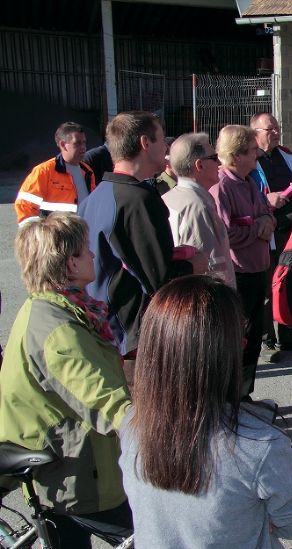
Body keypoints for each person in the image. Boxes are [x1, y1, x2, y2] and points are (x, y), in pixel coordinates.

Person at [118, 275, 292, 549]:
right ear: (217, 353)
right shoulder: (257, 445)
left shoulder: (132, 427)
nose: (243, 342)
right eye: (237, 334)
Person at [0, 213, 133, 549]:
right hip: (73, 472)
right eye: (85, 249)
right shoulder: (56, 327)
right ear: (71, 263)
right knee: (145, 544)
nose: (93, 254)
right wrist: (147, 428)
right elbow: (99, 393)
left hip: (70, 461)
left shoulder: (60, 309)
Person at [78, 111, 206, 368]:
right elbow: (161, 279)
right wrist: (195, 265)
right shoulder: (137, 199)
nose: (167, 148)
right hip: (133, 338)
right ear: (145, 143)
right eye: (162, 140)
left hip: (102, 329)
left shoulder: (94, 197)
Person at [211, 124, 275, 401]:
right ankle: (233, 395)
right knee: (240, 337)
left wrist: (264, 222)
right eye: (252, 152)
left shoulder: (249, 181)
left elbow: (268, 216)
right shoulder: (221, 186)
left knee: (254, 336)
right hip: (239, 273)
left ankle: (245, 393)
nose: (257, 156)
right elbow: (227, 234)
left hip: (259, 268)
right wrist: (256, 228)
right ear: (236, 156)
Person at [249, 112, 292, 362]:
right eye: (269, 129)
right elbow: (247, 192)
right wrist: (267, 199)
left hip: (289, 227)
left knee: (290, 280)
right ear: (255, 133)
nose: (275, 132)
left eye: (276, 128)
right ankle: (267, 340)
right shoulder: (250, 160)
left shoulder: (285, 155)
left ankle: (288, 334)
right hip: (264, 231)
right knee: (266, 285)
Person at [162, 132, 235, 288]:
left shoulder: (170, 197)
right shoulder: (197, 206)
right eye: (214, 158)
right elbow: (208, 265)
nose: (219, 164)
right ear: (199, 165)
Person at [15, 121, 94, 225]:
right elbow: (24, 206)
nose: (83, 147)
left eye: (84, 142)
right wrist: (36, 236)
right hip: (56, 237)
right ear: (63, 145)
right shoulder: (44, 171)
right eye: (78, 143)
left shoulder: (88, 171)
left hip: (83, 236)